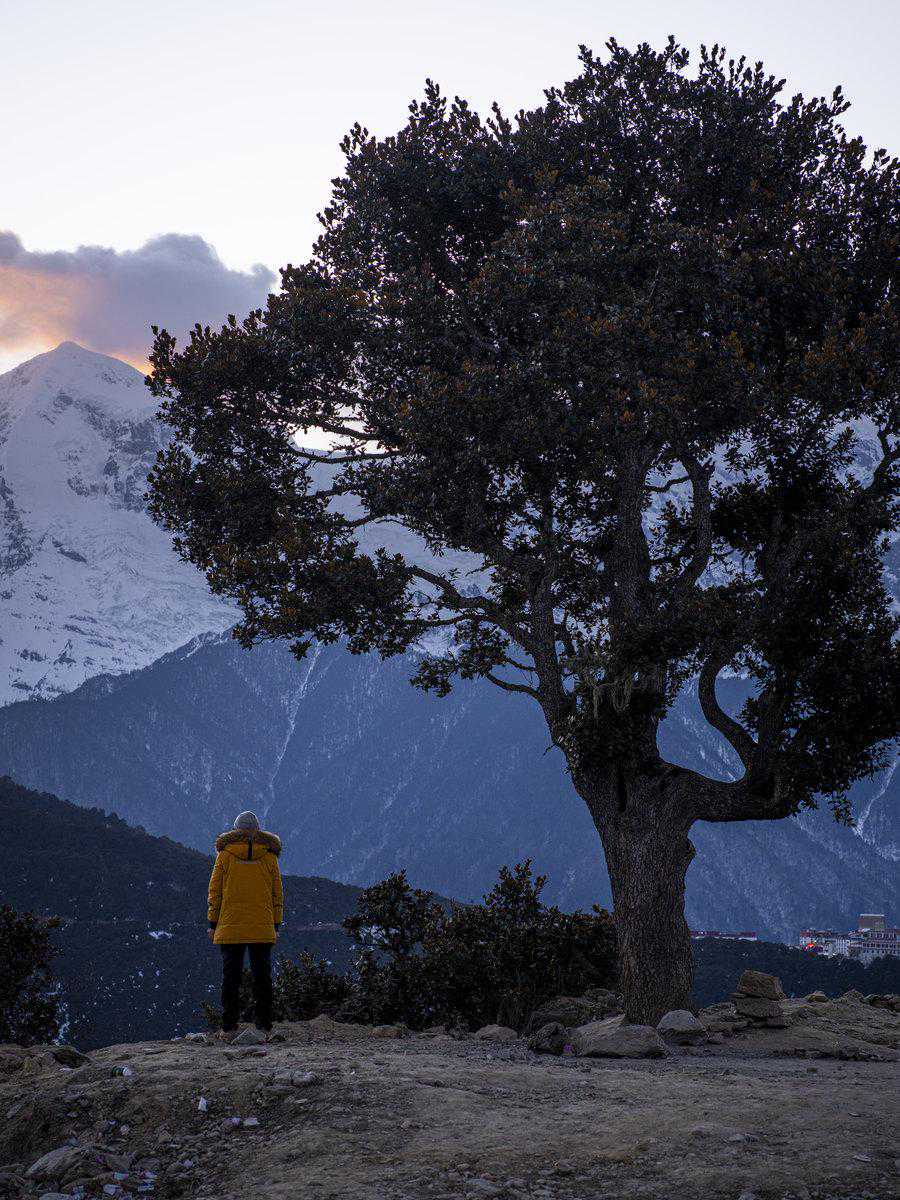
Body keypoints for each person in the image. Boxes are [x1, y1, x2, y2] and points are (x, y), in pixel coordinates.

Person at [207, 810, 283, 1040]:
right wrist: (276, 924)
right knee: (262, 978)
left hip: (230, 925)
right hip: (262, 925)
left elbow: (215, 892)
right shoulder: (269, 856)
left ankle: (229, 1027)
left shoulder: (224, 856)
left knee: (231, 978)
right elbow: (277, 894)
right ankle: (264, 1026)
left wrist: (212, 922)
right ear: (258, 831)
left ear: (235, 831)